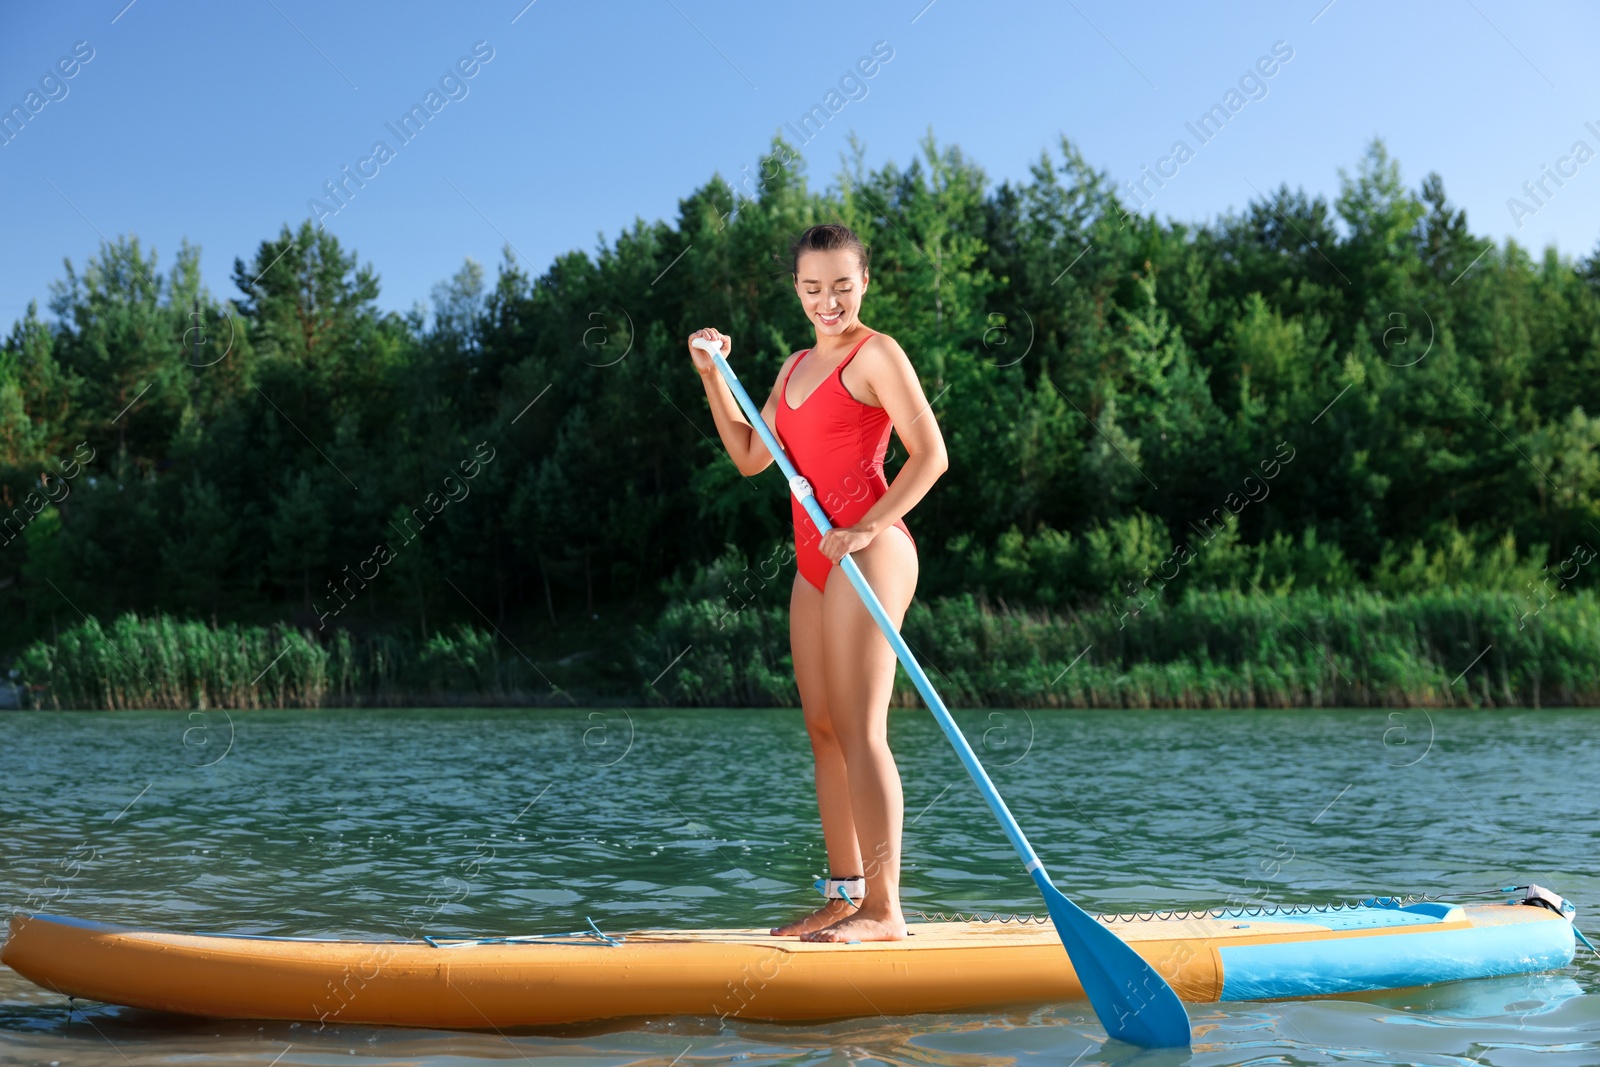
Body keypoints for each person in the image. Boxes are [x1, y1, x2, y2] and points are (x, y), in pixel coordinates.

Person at [686, 222, 948, 943]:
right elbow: (748, 455)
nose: (826, 300)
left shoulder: (877, 354)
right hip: (814, 560)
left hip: (872, 547)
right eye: (811, 288)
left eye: (840, 285)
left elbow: (931, 455)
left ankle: (886, 909)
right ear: (796, 290)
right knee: (824, 730)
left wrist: (868, 526)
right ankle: (844, 893)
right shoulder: (795, 365)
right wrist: (712, 377)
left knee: (863, 727)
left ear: (864, 280)